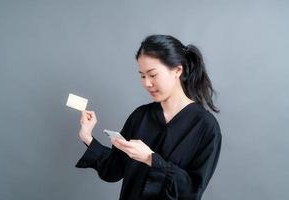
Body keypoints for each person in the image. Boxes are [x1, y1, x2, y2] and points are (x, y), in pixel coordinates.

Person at [75, 34, 222, 200]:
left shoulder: (205, 126)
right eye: (142, 75)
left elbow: (192, 191)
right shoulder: (140, 116)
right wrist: (87, 137)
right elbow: (113, 170)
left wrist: (151, 159)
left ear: (177, 70)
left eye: (152, 75)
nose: (146, 83)